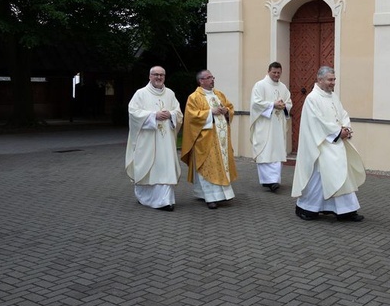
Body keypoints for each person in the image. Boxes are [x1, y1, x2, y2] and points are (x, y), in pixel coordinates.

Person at [292, 66, 366, 222]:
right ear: (320, 80)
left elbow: (342, 113)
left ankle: (346, 210)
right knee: (320, 178)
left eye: (334, 79)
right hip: (321, 144)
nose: (333, 83)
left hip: (335, 142)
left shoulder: (332, 96)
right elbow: (318, 123)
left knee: (340, 173)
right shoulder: (312, 98)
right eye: (330, 80)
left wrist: (346, 127)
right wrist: (338, 132)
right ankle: (306, 207)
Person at [125, 66, 182, 211]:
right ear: (150, 76)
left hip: (166, 142)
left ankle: (165, 200)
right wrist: (153, 116)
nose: (159, 77)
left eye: (161, 75)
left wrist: (171, 115)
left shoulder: (170, 93)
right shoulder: (141, 93)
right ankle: (144, 197)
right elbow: (133, 113)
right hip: (147, 140)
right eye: (155, 74)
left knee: (165, 167)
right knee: (147, 168)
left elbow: (179, 113)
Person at [181, 70, 238, 209]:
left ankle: (221, 195)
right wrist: (209, 113)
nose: (212, 80)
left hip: (221, 139)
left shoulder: (219, 94)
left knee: (220, 167)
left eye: (213, 77)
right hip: (205, 140)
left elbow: (230, 108)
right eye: (209, 78)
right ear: (201, 81)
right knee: (208, 167)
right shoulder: (194, 97)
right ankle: (210, 197)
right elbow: (191, 117)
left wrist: (226, 112)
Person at [249, 62, 292, 192]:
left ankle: (274, 180)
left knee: (277, 150)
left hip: (277, 125)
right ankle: (268, 181)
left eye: (279, 72)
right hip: (265, 124)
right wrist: (272, 104)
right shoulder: (260, 85)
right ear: (269, 71)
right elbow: (256, 103)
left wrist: (284, 106)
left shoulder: (283, 87)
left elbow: (289, 102)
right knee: (265, 149)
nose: (276, 75)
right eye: (274, 72)